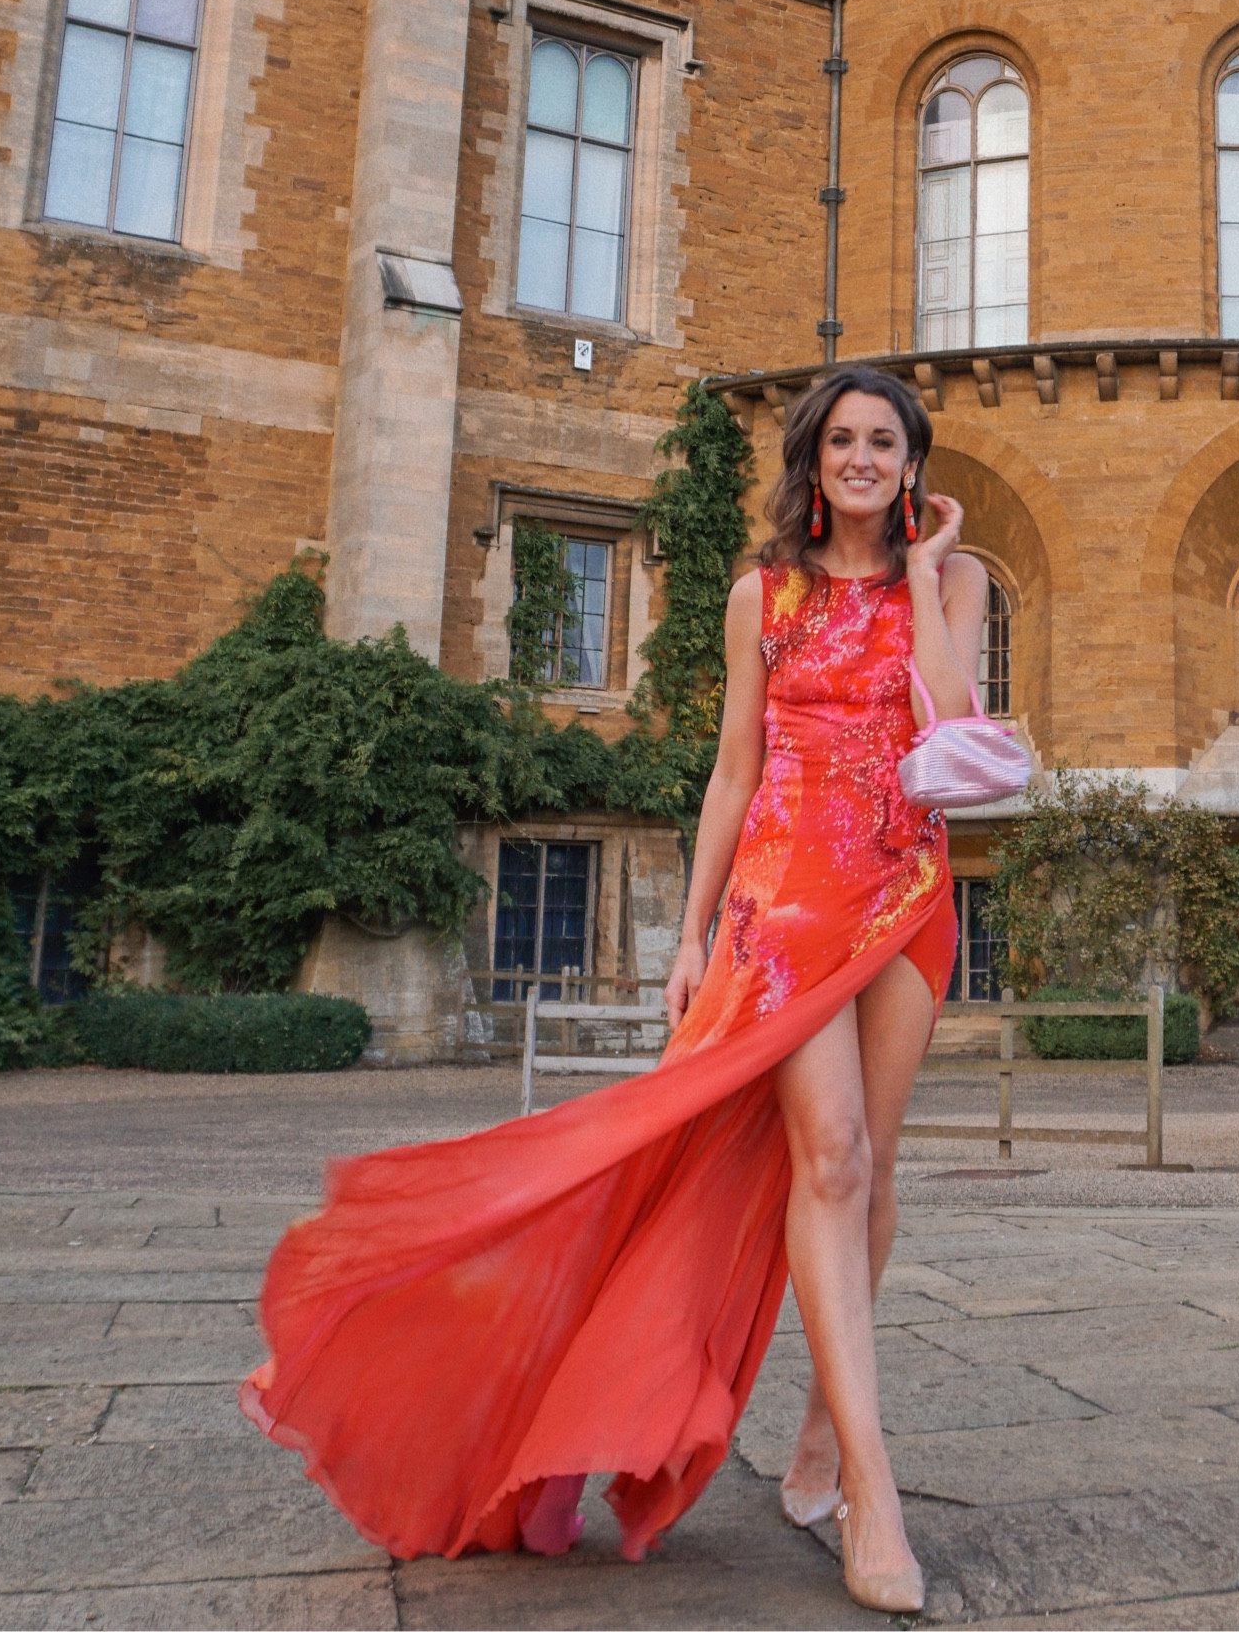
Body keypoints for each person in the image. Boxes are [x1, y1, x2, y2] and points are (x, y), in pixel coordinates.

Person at [239, 366, 985, 1616]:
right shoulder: (761, 593)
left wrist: (918, 573)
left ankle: (820, 1428)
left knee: (877, 1167)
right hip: (782, 906)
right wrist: (692, 932)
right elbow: (734, 769)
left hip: (908, 892)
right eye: (842, 440)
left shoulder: (953, 581)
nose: (862, 457)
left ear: (911, 463)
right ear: (814, 460)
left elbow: (956, 729)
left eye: (884, 441)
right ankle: (874, 1490)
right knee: (835, 1157)